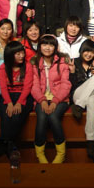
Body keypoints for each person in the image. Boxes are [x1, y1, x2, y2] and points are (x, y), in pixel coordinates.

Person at [31, 35, 72, 164]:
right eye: (44, 44)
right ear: (40, 47)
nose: (47, 48)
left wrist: (55, 100)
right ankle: (40, 154)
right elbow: (34, 86)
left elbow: (66, 85)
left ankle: (61, 154)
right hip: (41, 98)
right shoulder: (34, 63)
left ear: (55, 47)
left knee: (53, 116)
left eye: (51, 45)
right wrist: (42, 100)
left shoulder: (63, 62)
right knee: (42, 117)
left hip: (60, 99)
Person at [67, 40, 94, 159]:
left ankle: (91, 141)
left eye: (92, 52)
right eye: (86, 51)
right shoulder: (74, 62)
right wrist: (72, 72)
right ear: (81, 50)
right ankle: (79, 105)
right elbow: (70, 86)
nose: (89, 54)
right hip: (78, 94)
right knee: (89, 97)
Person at [0, 41, 34, 157]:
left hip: (23, 96)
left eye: (22, 53)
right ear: (10, 55)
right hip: (8, 96)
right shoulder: (3, 67)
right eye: (18, 54)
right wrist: (9, 103)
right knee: (6, 115)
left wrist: (19, 103)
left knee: (16, 116)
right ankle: (10, 145)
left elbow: (27, 87)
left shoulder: (28, 66)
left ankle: (4, 141)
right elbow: (3, 87)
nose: (21, 56)